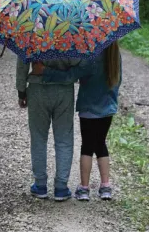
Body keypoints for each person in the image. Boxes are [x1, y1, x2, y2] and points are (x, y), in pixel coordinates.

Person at [32, 43, 122, 201]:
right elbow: (117, 81)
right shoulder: (115, 56)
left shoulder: (90, 57)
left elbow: (71, 75)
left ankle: (84, 188)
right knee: (101, 144)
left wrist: (46, 72)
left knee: (87, 146)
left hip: (88, 107)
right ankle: (105, 186)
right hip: (108, 107)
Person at [17, 56, 81, 201]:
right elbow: (78, 61)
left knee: (38, 137)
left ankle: (40, 185)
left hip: (37, 89)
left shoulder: (29, 34)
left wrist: (21, 90)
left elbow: (22, 63)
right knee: (64, 138)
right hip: (64, 89)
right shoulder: (71, 34)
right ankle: (61, 187)